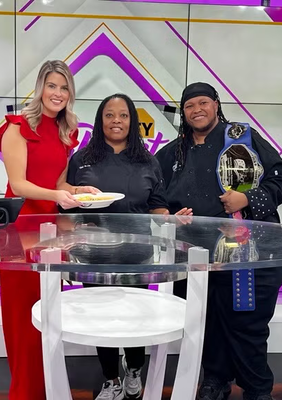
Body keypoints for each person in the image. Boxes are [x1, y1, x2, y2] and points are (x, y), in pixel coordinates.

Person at [156, 82, 282, 400]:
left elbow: (281, 180)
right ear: (183, 113)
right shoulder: (171, 153)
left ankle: (258, 388)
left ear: (216, 105)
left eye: (203, 102)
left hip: (251, 251)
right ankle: (215, 379)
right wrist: (168, 214)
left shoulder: (243, 138)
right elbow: (154, 198)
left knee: (247, 324)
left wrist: (247, 199)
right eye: (190, 106)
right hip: (194, 255)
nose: (197, 110)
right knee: (205, 322)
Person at [66, 93, 192, 400]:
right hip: (92, 253)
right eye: (109, 115)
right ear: (100, 120)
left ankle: (134, 369)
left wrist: (171, 218)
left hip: (137, 254)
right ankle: (111, 379)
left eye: (123, 115)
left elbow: (157, 206)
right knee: (101, 319)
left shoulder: (148, 161)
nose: (116, 121)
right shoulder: (81, 159)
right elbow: (67, 206)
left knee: (137, 318)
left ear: (132, 121)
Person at [0, 60, 98, 400]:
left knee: (47, 315)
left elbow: (58, 184)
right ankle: (25, 393)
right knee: (23, 318)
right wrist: (58, 196)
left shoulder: (66, 132)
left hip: (50, 232)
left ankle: (46, 390)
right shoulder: (18, 127)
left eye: (64, 87)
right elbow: (19, 185)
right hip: (19, 229)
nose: (58, 93)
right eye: (52, 86)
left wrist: (79, 191)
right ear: (40, 88)